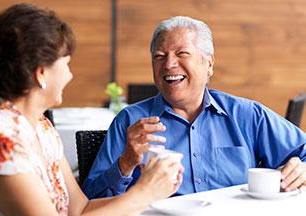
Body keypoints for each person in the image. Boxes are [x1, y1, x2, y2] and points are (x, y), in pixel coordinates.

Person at [0, 4, 183, 215]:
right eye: (66, 64)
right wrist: (145, 193)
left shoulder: (41, 127)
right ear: (40, 74)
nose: (69, 75)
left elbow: (79, 209)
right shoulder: (0, 138)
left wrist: (152, 191)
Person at [83, 16, 306, 199]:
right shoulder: (131, 121)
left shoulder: (246, 115)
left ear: (208, 64)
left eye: (182, 54)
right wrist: (126, 163)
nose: (169, 64)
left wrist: (301, 169)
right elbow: (91, 201)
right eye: (159, 56)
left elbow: (302, 153)